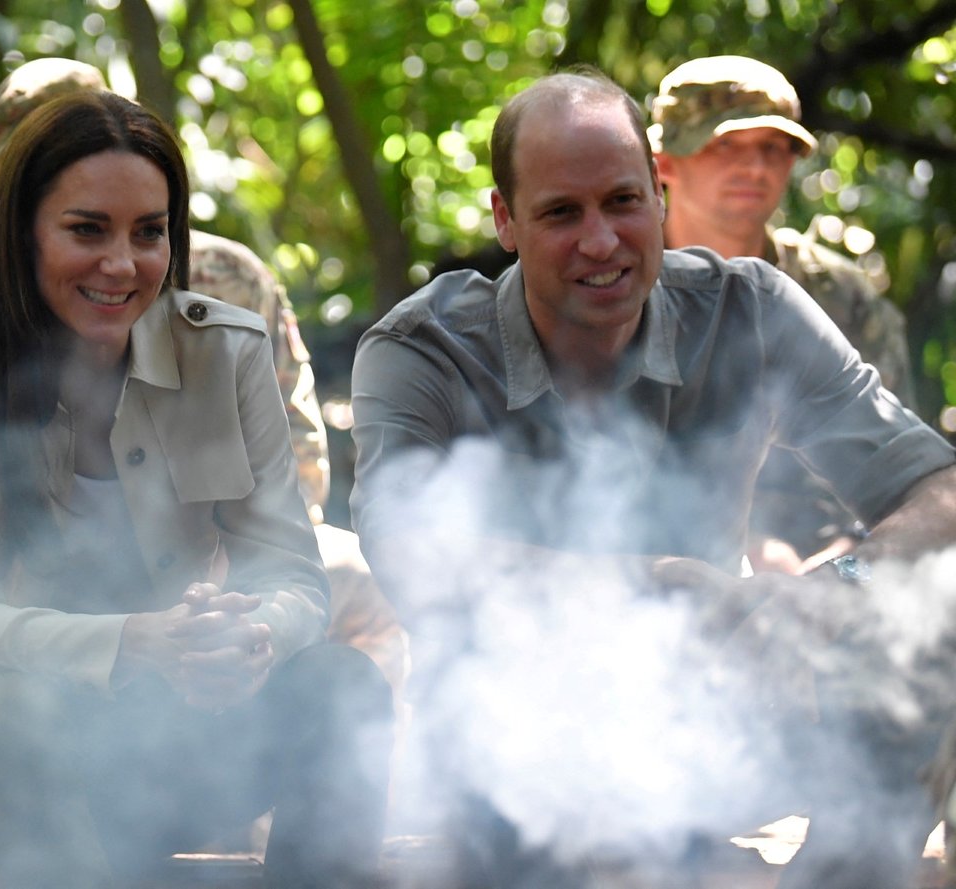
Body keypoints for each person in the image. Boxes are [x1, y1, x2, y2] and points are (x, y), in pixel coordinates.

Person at [349, 66, 956, 889]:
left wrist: (831, 591)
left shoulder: (751, 309)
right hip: (515, 748)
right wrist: (656, 586)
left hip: (721, 724)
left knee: (934, 623)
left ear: (659, 201)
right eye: (562, 212)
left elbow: (937, 490)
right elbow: (407, 549)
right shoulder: (422, 348)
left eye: (623, 202)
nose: (600, 241)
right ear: (505, 220)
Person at [0, 90, 392, 889]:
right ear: (22, 230)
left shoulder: (227, 353)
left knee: (345, 687)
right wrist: (136, 641)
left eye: (150, 233)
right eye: (86, 229)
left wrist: (250, 639)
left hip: (164, 738)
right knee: (18, 717)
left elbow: (292, 574)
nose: (122, 264)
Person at [0, 57, 409, 700]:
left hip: (225, 558)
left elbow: (295, 456)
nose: (118, 262)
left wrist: (236, 600)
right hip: (57, 596)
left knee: (361, 586)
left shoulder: (225, 280)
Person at [649, 55, 917, 574]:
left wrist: (835, 573)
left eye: (773, 148)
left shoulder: (840, 296)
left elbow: (899, 473)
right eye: (723, 144)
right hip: (660, 575)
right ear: (664, 162)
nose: (754, 168)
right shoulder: (616, 287)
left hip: (834, 570)